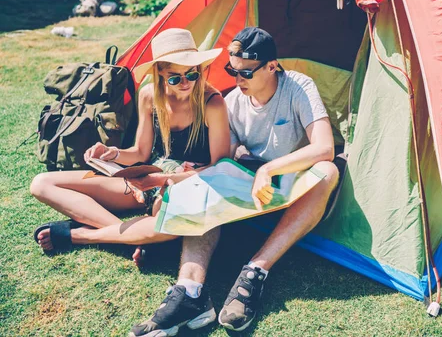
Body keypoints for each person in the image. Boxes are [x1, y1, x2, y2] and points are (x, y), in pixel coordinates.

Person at [129, 27, 340, 336]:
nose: (237, 79)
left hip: (295, 181)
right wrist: (176, 180)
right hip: (252, 183)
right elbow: (222, 163)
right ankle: (190, 293)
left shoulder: (297, 87)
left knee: (328, 171)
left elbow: (325, 148)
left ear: (271, 66)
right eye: (232, 70)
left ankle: (254, 272)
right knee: (211, 181)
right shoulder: (235, 103)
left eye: (245, 72)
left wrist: (270, 170)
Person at [30, 28, 230, 262]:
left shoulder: (212, 103)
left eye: (192, 74)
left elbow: (221, 167)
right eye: (175, 77)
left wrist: (165, 180)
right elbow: (140, 152)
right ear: (161, 73)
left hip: (184, 183)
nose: (185, 83)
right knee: (42, 183)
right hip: (146, 180)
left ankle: (88, 235)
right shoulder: (149, 96)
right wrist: (111, 153)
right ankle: (132, 240)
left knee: (165, 222)